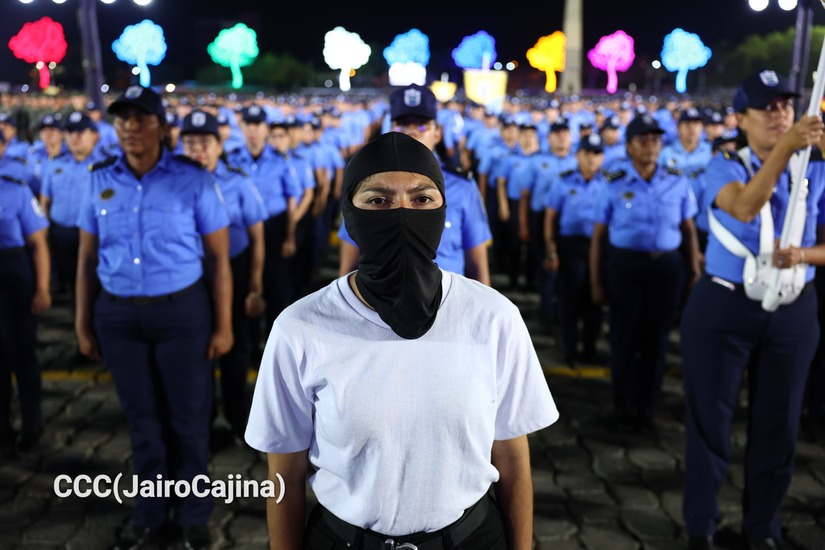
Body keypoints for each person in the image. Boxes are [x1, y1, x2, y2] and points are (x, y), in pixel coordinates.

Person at [245, 131, 558, 550]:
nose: (403, 214)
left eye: (422, 199)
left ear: (443, 208)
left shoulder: (493, 317)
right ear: (349, 215)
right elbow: (284, 473)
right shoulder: (300, 327)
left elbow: (513, 461)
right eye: (378, 200)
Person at [75, 85, 232, 550]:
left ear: (163, 128)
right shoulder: (97, 179)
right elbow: (86, 259)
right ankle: (150, 515)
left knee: (187, 418)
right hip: (119, 316)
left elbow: (220, 260)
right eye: (122, 120)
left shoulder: (194, 179)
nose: (130, 129)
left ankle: (194, 516)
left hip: (181, 314)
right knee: (142, 421)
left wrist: (223, 326)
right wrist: (83, 322)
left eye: (141, 120)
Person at [680, 69, 825, 550]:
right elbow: (743, 207)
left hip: (792, 310)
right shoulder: (722, 164)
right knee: (711, 427)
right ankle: (701, 528)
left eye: (785, 104)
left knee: (778, 426)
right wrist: (786, 150)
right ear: (740, 118)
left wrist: (803, 256)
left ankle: (762, 527)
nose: (779, 113)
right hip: (724, 307)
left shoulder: (815, 167)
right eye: (766, 107)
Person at [590, 114, 700, 433]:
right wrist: (597, 281)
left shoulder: (677, 181)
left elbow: (688, 229)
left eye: (655, 140)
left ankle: (647, 409)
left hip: (666, 269)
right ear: (628, 146)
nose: (651, 146)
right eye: (643, 140)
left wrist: (692, 270)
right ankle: (623, 407)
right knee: (624, 338)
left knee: (657, 341)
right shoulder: (613, 183)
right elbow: (599, 236)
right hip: (625, 268)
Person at [338, 84, 492, 285]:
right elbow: (348, 262)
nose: (412, 132)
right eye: (403, 125)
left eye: (421, 125)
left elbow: (478, 263)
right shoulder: (367, 183)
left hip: (449, 305)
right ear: (390, 130)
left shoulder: (463, 187)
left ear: (437, 133)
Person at [180, 109, 268, 446]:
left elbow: (258, 237)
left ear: (220, 145)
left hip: (237, 268)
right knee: (196, 352)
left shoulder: (237, 180)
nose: (198, 150)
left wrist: (256, 287)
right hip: (193, 275)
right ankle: (200, 423)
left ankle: (238, 421)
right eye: (190, 143)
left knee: (236, 354)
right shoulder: (174, 182)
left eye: (205, 143)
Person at [0, 148, 51, 455]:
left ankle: (32, 424)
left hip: (13, 276)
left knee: (21, 353)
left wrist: (43, 288)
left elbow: (38, 244)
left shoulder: (14, 190)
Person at [544, 133, 607, 367]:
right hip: (571, 247)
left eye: (597, 154)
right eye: (587, 153)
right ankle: (570, 350)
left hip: (599, 247)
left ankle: (589, 349)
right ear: (578, 155)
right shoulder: (563, 181)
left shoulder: (608, 183)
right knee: (570, 301)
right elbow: (551, 217)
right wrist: (551, 250)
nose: (592, 159)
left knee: (595, 300)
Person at [40, 111, 107, 308]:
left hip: (95, 236)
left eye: (81, 132)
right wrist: (45, 235)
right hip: (62, 234)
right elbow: (46, 201)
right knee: (73, 284)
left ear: (95, 135)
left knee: (96, 284)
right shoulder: (56, 164)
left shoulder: (106, 166)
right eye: (70, 132)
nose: (75, 137)